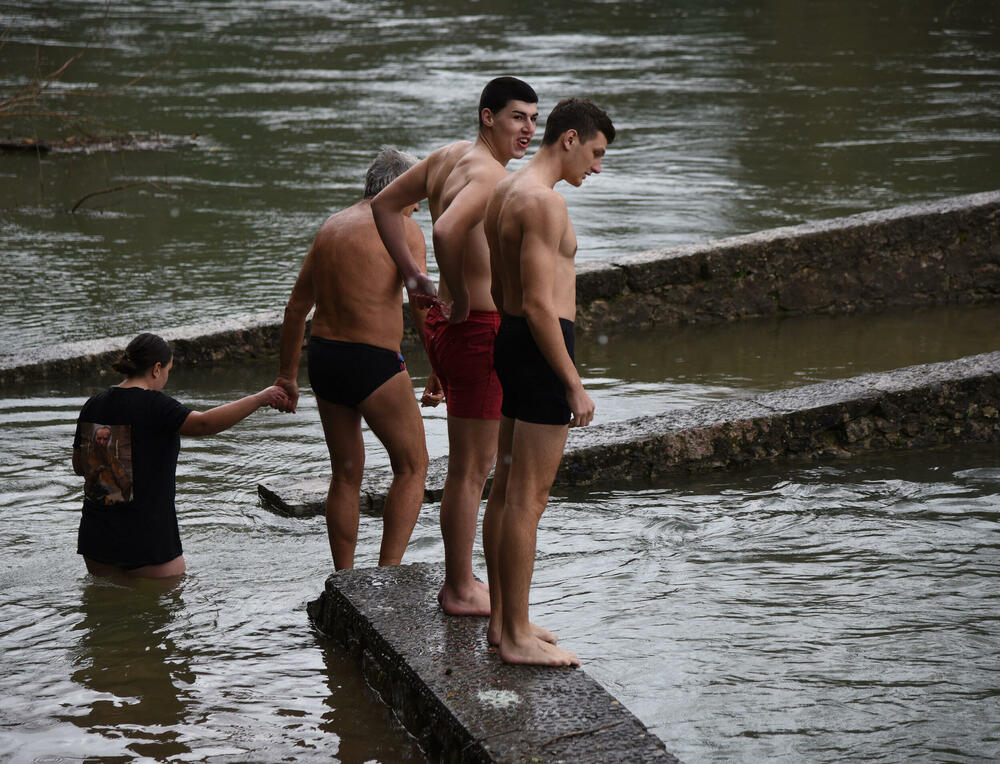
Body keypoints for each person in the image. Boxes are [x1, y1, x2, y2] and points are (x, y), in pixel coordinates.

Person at [371, 76, 539, 615]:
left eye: (534, 119)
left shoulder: (447, 157)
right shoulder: (490, 177)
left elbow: (383, 206)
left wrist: (415, 277)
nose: (528, 130)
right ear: (487, 116)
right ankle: (461, 586)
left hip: (446, 330)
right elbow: (444, 231)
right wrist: (462, 296)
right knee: (471, 469)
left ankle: (461, 581)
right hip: (475, 329)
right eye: (517, 117)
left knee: (469, 465)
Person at [483, 97, 615, 666]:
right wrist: (574, 383)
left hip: (512, 342)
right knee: (528, 500)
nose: (598, 167)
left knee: (508, 486)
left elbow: (501, 294)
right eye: (596, 152)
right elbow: (541, 304)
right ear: (569, 139)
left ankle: (504, 621)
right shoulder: (544, 205)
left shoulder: (504, 193)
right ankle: (514, 636)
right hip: (540, 350)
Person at [274, 147, 430, 570]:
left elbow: (295, 309)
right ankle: (388, 572)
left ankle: (344, 577)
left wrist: (287, 377)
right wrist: (440, 368)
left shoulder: (332, 226)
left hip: (325, 359)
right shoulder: (403, 228)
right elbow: (421, 307)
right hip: (374, 362)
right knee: (414, 466)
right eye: (418, 193)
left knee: (345, 472)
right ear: (402, 186)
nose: (419, 204)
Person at [72, 332, 289, 579]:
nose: (166, 377)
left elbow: (79, 466)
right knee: (167, 608)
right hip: (146, 539)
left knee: (106, 609)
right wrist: (260, 398)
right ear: (156, 368)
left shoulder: (93, 404)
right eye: (168, 370)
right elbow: (204, 424)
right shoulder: (155, 404)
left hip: (96, 538)